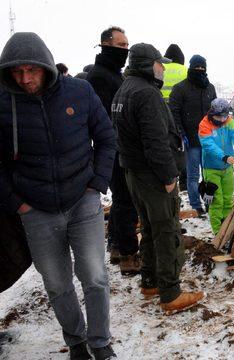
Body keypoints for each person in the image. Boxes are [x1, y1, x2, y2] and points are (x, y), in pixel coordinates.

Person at [0, 32, 117, 359]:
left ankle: (100, 342)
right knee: (56, 283)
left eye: (31, 70)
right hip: (35, 209)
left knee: (94, 276)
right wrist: (17, 203)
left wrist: (98, 184)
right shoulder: (3, 103)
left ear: (46, 67)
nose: (24, 79)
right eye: (17, 72)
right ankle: (76, 340)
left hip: (83, 200)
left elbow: (107, 138)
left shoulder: (79, 92)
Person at [111, 43, 204, 315]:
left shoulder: (124, 90)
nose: (163, 68)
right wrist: (168, 176)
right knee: (166, 231)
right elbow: (155, 141)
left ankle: (150, 282)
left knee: (151, 229)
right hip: (152, 175)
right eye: (159, 63)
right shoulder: (146, 93)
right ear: (146, 64)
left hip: (134, 173)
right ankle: (171, 293)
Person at [86, 26, 140, 275]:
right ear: (105, 45)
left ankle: (118, 246)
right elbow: (104, 118)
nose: (125, 50)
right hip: (115, 149)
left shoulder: (115, 74)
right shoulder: (99, 76)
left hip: (120, 146)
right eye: (120, 45)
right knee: (126, 199)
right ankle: (129, 255)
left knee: (121, 199)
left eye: (126, 45)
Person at [169, 55, 217, 216]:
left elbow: (215, 111)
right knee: (193, 175)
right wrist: (181, 133)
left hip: (209, 139)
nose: (200, 70)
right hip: (191, 140)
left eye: (202, 68)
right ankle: (197, 205)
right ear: (190, 68)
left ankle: (209, 203)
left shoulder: (209, 88)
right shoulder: (180, 88)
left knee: (210, 173)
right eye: (197, 67)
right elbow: (174, 112)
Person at [198, 99, 234, 233]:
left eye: (224, 116)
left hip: (227, 168)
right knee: (216, 201)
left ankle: (227, 227)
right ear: (212, 113)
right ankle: (218, 232)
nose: (221, 119)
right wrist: (224, 157)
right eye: (218, 116)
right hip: (211, 169)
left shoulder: (229, 121)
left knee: (227, 198)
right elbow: (208, 145)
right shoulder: (204, 125)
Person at [161, 44, 189, 190]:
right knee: (182, 147)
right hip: (180, 114)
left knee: (164, 146)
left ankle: (169, 178)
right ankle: (184, 182)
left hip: (161, 112)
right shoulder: (185, 71)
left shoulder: (161, 69)